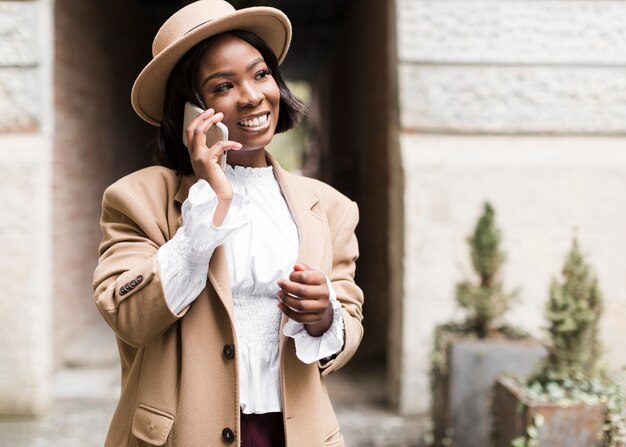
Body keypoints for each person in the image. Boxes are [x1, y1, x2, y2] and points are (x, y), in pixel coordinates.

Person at [93, 0, 363, 446]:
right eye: (223, 86)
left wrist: (324, 317)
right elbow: (128, 317)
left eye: (261, 75)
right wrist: (209, 208)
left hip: (294, 433)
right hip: (182, 433)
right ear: (190, 111)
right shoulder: (137, 199)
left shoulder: (330, 207)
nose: (253, 95)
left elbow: (350, 322)